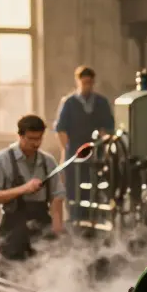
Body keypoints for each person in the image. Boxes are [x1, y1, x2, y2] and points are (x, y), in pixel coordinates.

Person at [0, 114, 66, 263]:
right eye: (31, 139)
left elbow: (57, 196)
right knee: (11, 274)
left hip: (42, 228)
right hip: (13, 230)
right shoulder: (2, 159)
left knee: (46, 273)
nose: (35, 144)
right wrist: (23, 189)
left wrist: (57, 227)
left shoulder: (48, 161)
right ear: (20, 136)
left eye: (39, 138)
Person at [53, 66, 114, 224]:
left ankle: (96, 219)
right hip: (74, 151)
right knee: (74, 188)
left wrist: (104, 147)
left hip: (97, 152)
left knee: (97, 186)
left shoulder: (101, 102)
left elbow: (108, 128)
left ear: (93, 82)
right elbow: (61, 129)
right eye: (84, 82)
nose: (87, 86)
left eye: (90, 82)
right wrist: (65, 153)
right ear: (78, 81)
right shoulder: (69, 103)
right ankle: (76, 220)